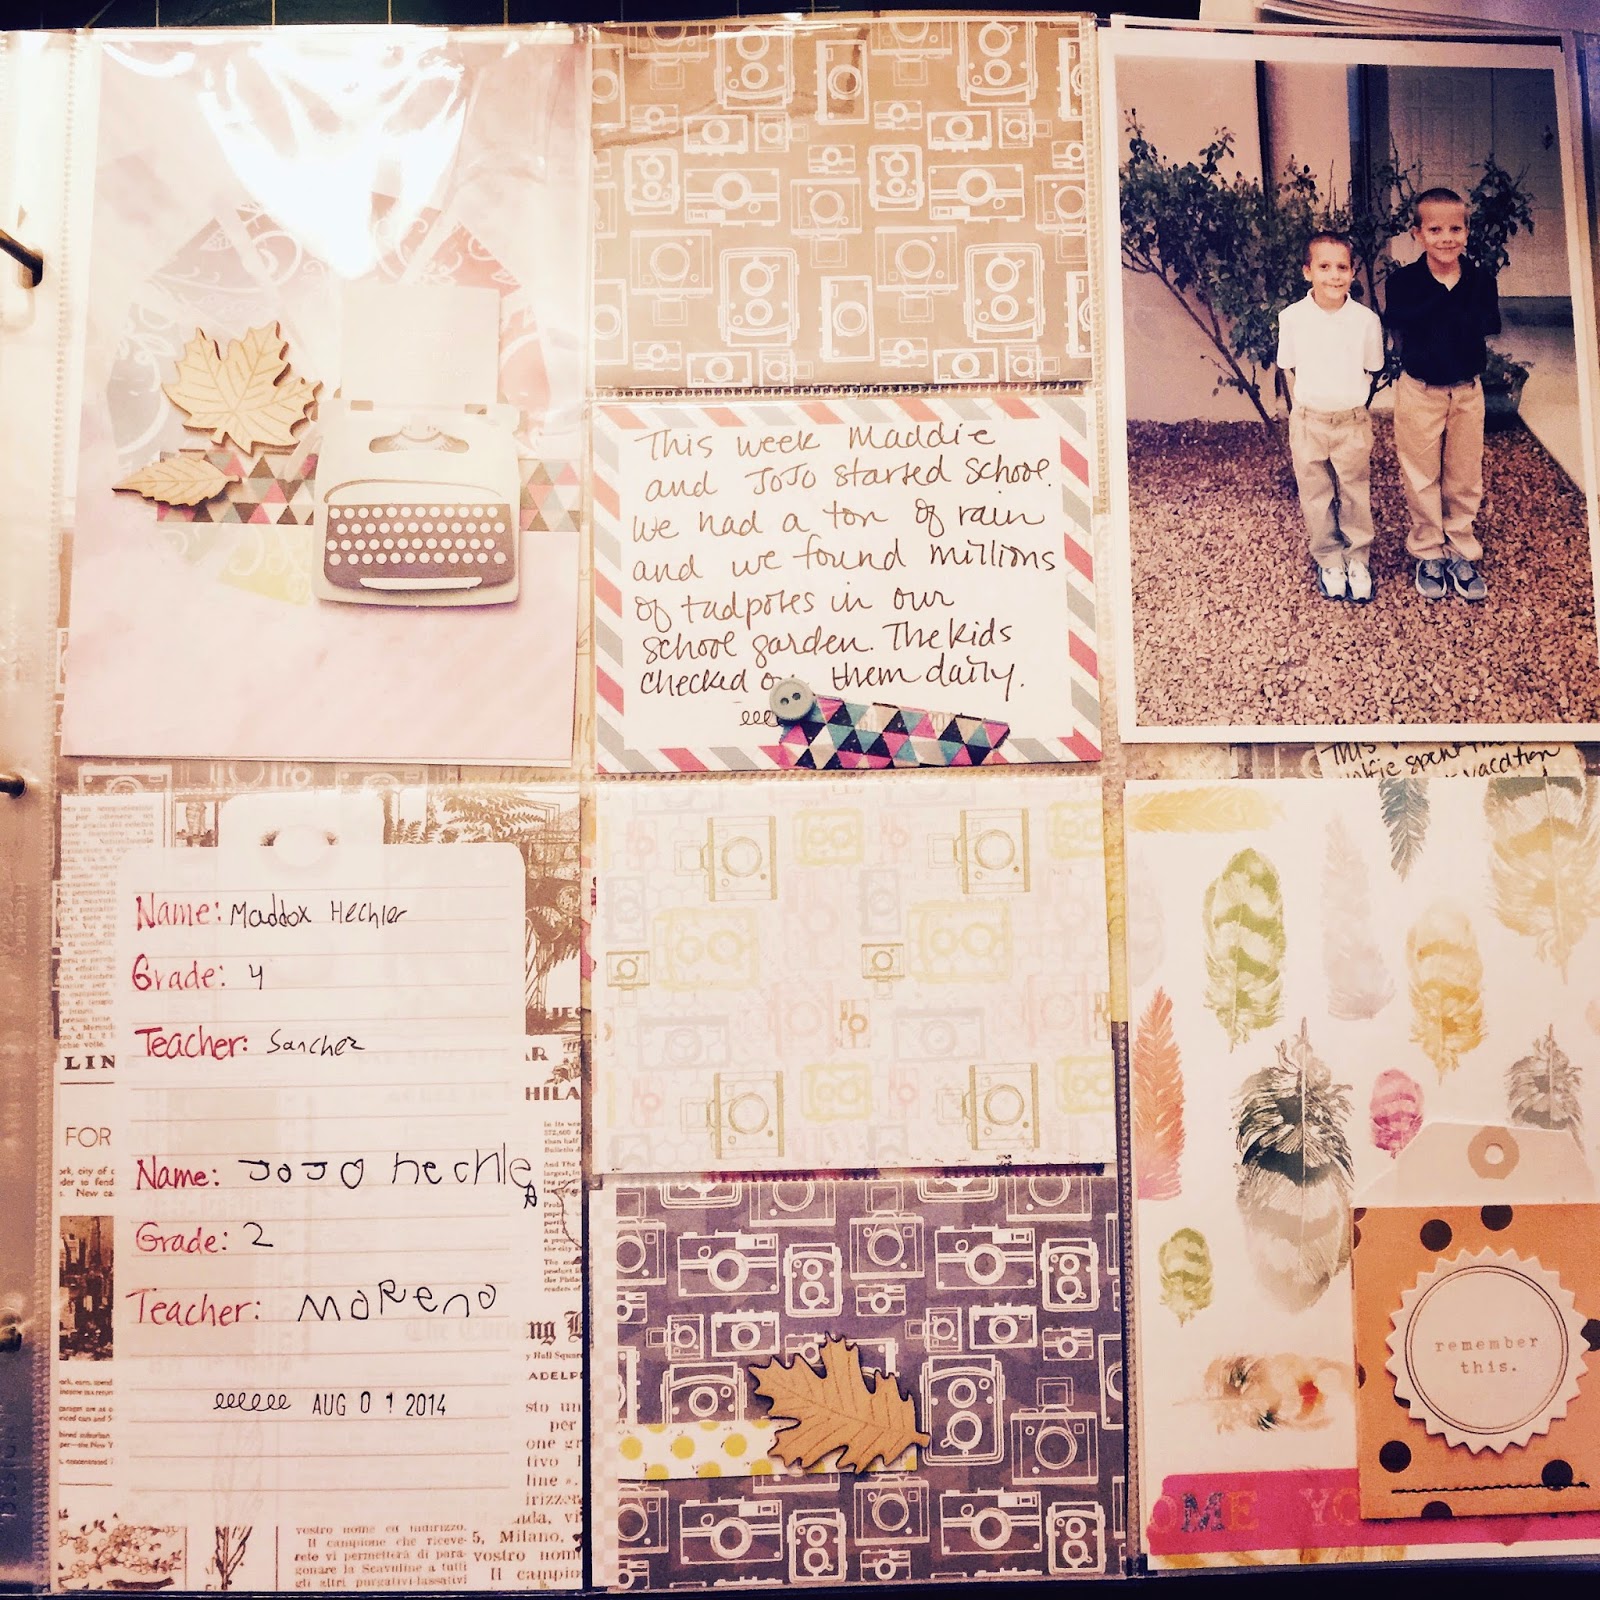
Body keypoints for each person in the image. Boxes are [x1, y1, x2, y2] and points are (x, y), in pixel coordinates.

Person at [1382, 187, 1501, 601]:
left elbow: (1485, 326)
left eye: (1455, 228)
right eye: (1435, 229)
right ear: (1418, 233)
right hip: (1421, 390)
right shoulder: (1403, 282)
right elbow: (1401, 326)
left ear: (1467, 231)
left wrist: (1449, 314)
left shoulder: (1481, 280)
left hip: (1467, 391)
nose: (1446, 238)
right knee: (1420, 473)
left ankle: (1461, 547)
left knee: (1464, 474)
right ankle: (1429, 549)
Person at [1276, 232, 1384, 602]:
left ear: (1353, 272)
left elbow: (1372, 368)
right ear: (1308, 271)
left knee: (1355, 491)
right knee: (1316, 494)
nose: (1334, 275)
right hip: (1309, 421)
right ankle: (1328, 558)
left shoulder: (1366, 320)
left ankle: (1357, 557)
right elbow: (1289, 366)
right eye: (1324, 266)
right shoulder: (1292, 318)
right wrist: (1305, 408)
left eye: (1342, 267)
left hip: (1351, 422)